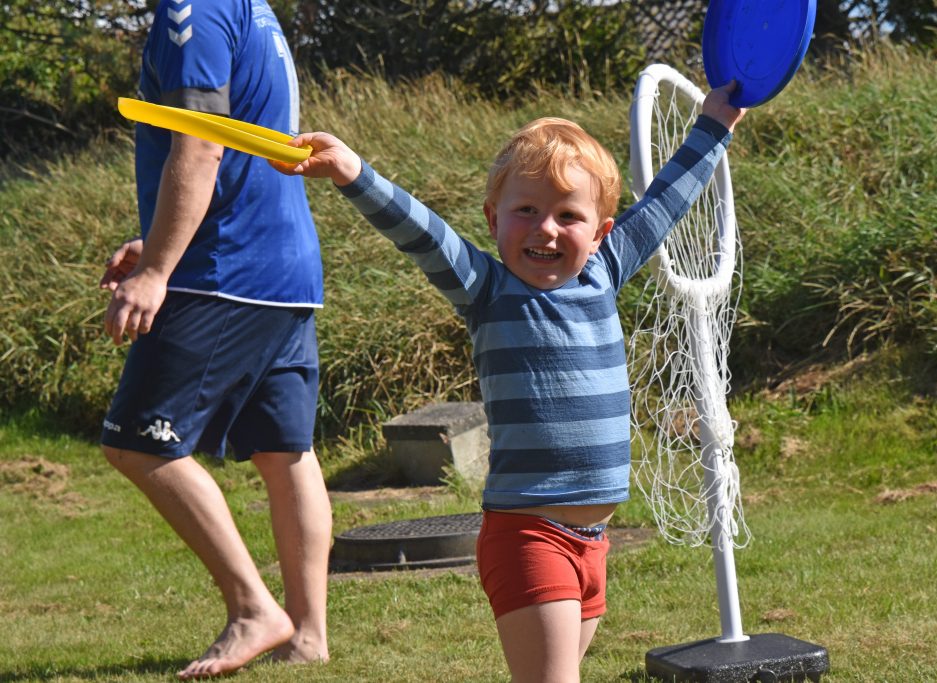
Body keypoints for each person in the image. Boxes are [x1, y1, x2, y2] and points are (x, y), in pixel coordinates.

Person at [271, 82, 745, 682]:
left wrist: (714, 127)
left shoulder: (605, 273)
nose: (545, 229)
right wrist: (352, 171)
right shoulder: (486, 290)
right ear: (495, 220)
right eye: (526, 211)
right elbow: (420, 230)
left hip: (593, 540)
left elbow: (663, 205)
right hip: (528, 536)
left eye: (567, 215)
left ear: (600, 232)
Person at [99, 0, 332, 678]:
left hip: (227, 271)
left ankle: (253, 607)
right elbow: (243, 147)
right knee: (284, 450)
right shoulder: (251, 9)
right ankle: (308, 635)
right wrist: (155, 247)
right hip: (287, 270)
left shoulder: (192, 8)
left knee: (137, 440)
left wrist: (159, 271)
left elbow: (202, 144)